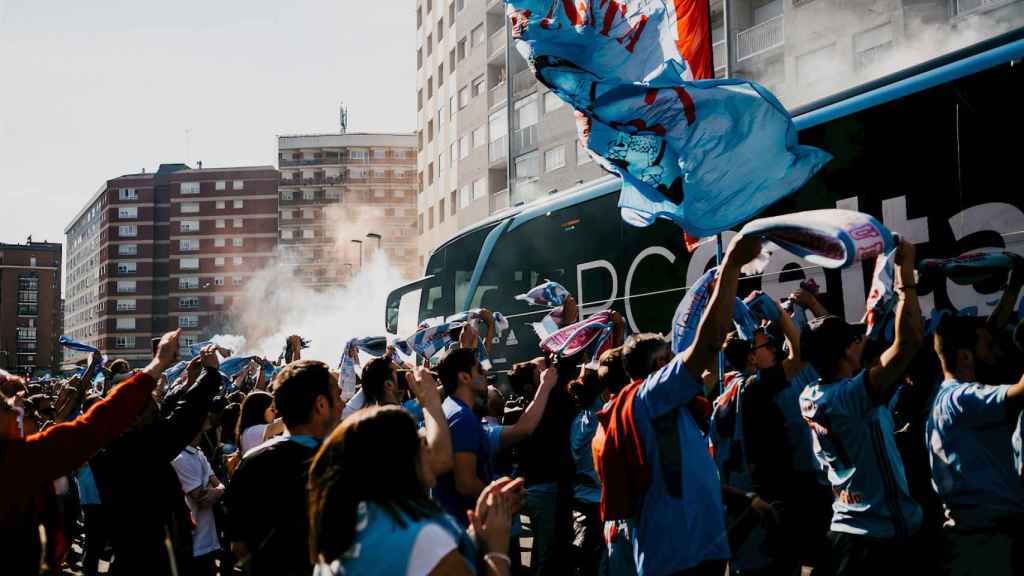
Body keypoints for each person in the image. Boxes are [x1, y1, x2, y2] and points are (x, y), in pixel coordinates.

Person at [593, 233, 763, 576]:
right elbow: (710, 340)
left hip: (698, 551)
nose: (676, 363)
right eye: (667, 359)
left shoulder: (672, 406)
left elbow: (687, 473)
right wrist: (730, 266)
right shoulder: (649, 396)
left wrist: (742, 499)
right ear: (658, 369)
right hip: (678, 560)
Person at [0, 330, 181, 574]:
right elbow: (96, 425)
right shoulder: (20, 460)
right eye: (7, 403)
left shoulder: (22, 456)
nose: (18, 408)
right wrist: (158, 363)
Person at [799, 238, 925, 575]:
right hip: (876, 543)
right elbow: (910, 341)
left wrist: (815, 306)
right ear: (844, 352)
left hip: (845, 532)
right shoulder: (851, 396)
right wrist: (904, 278)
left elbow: (835, 348)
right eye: (854, 340)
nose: (861, 341)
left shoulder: (811, 395)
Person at [307, 382, 522, 575]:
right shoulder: (422, 537)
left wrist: (474, 535)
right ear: (398, 461)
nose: (429, 450)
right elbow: (424, 553)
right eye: (420, 443)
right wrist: (496, 552)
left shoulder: (339, 537)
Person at [90, 343, 224, 575]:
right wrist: (210, 375)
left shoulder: (112, 442)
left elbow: (168, 421)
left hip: (132, 551)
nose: (158, 418)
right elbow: (180, 421)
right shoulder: (135, 449)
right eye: (153, 413)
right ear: (134, 418)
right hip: (150, 557)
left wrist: (190, 381)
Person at [224, 359, 343, 576]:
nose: (343, 404)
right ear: (321, 405)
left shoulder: (252, 462)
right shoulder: (339, 464)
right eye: (338, 396)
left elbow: (238, 546)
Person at [927, 314, 1024, 575]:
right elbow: (1019, 393)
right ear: (965, 357)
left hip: (976, 535)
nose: (996, 354)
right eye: (988, 347)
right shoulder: (962, 398)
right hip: (985, 543)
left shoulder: (944, 398)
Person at [172, 428, 227, 576]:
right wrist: (216, 490)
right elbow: (200, 498)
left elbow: (218, 484)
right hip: (192, 543)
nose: (201, 431)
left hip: (207, 540)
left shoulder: (199, 453)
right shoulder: (180, 457)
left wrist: (215, 491)